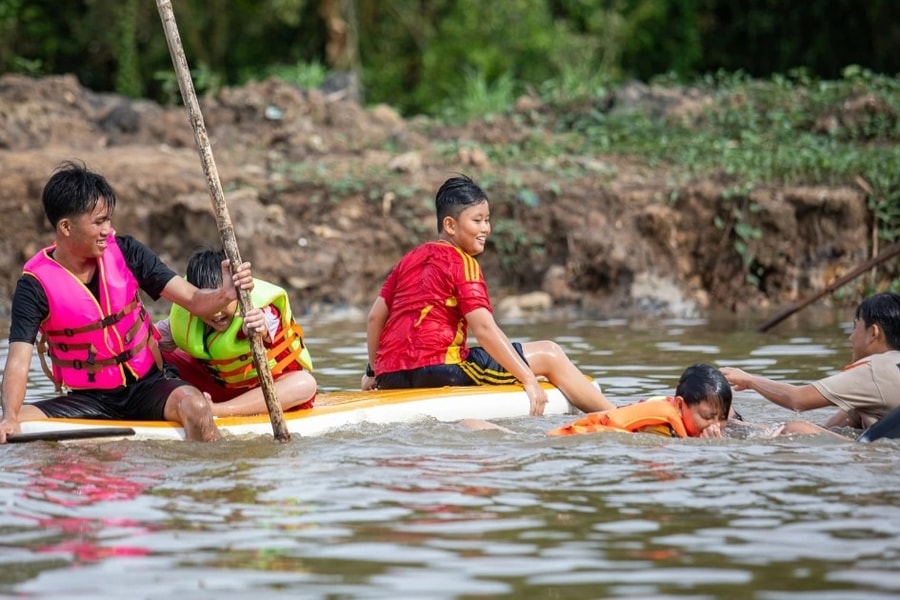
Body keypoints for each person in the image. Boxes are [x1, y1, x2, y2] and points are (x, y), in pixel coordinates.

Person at [0, 161, 256, 443]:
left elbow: (194, 300)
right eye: (99, 222)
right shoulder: (34, 285)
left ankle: (212, 476)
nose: (108, 230)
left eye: (108, 220)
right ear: (66, 227)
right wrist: (10, 418)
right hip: (89, 400)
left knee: (195, 406)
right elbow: (18, 361)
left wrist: (225, 295)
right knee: (15, 422)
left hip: (150, 385)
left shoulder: (127, 252)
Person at [361, 174, 613, 416]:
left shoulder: (408, 260)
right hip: (440, 369)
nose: (485, 229)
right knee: (550, 353)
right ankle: (617, 416)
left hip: (390, 376)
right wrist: (528, 378)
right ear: (450, 225)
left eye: (487, 220)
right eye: (477, 220)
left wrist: (374, 372)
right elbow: (484, 329)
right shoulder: (462, 262)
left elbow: (374, 318)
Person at [155, 248, 317, 418]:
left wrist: (256, 327)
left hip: (264, 393)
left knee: (305, 383)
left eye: (223, 300)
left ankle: (218, 411)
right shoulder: (187, 312)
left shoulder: (260, 309)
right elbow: (151, 335)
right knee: (149, 348)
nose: (216, 313)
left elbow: (263, 324)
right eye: (211, 302)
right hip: (217, 390)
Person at [721, 292, 900, 436]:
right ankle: (734, 424)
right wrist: (737, 424)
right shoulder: (889, 369)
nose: (850, 337)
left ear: (874, 333)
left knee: (796, 429)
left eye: (855, 327)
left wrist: (749, 380)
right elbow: (827, 430)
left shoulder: (875, 369)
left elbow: (798, 400)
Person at [462, 363, 731, 438]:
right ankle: (477, 425)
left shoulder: (683, 414)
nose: (715, 425)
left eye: (721, 418)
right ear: (681, 405)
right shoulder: (660, 428)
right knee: (524, 440)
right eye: (707, 417)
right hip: (577, 436)